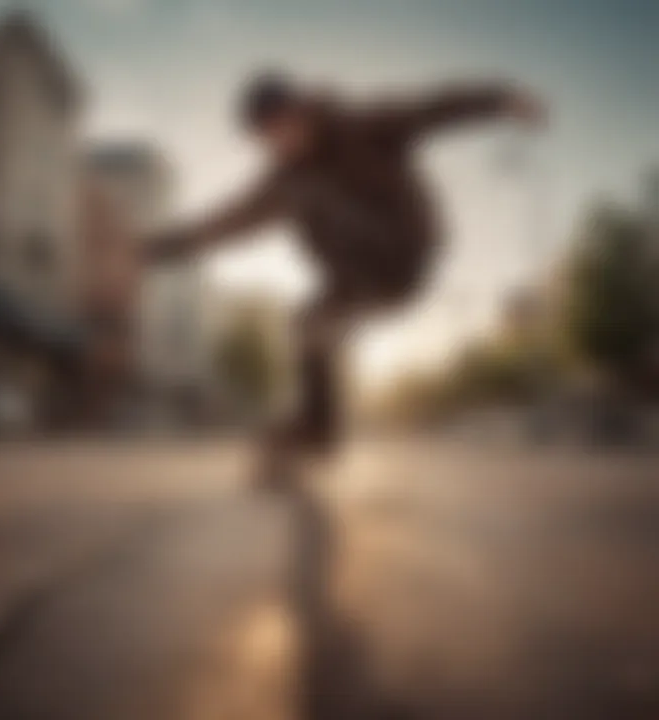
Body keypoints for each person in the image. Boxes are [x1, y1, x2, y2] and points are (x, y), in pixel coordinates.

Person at [143, 72, 546, 482]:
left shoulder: (362, 125)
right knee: (308, 323)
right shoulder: (283, 181)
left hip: (402, 251)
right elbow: (226, 221)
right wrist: (153, 250)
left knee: (312, 196)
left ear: (301, 111)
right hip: (351, 278)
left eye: (283, 126)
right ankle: (318, 431)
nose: (280, 142)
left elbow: (433, 108)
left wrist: (501, 101)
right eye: (267, 137)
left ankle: (317, 427)